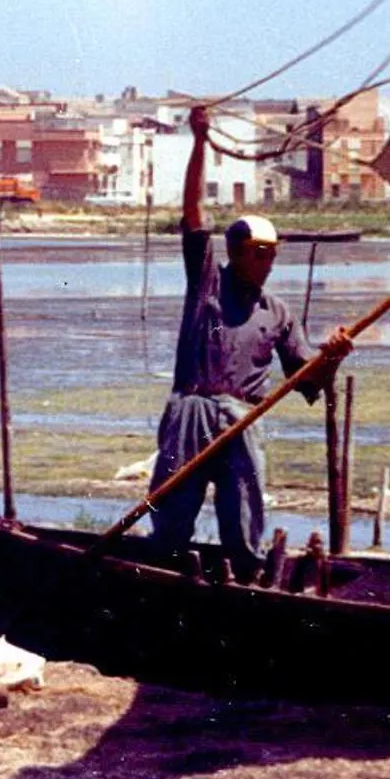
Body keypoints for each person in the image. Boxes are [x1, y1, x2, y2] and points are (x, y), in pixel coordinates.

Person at [146, 104, 352, 573]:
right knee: (172, 512)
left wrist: (332, 358)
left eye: (272, 254)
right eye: (259, 253)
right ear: (236, 254)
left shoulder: (277, 313)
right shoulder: (207, 284)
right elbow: (194, 215)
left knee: (244, 512)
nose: (268, 262)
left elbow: (307, 383)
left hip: (242, 416)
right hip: (192, 410)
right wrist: (199, 142)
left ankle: (245, 576)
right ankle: (164, 572)